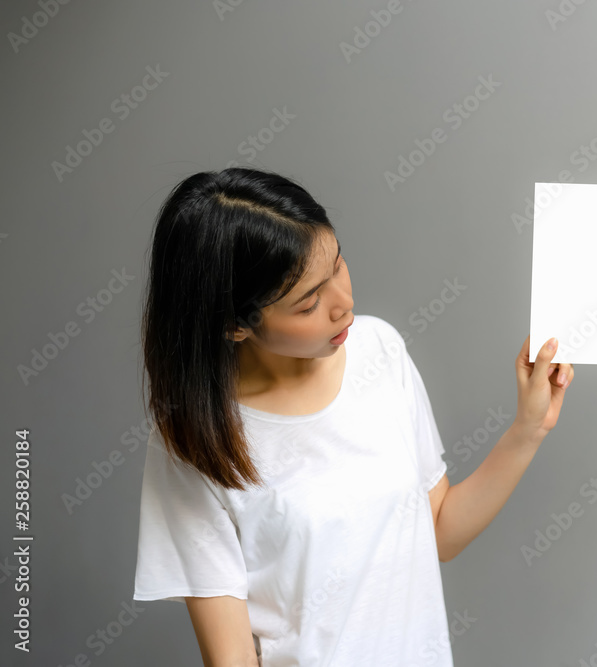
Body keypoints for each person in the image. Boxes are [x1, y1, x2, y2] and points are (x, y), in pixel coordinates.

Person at [131, 166, 574, 666]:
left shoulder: (379, 351)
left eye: (338, 266)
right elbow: (231, 659)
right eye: (309, 303)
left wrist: (528, 429)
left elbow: (438, 532)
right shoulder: (195, 439)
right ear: (235, 326)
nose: (345, 305)